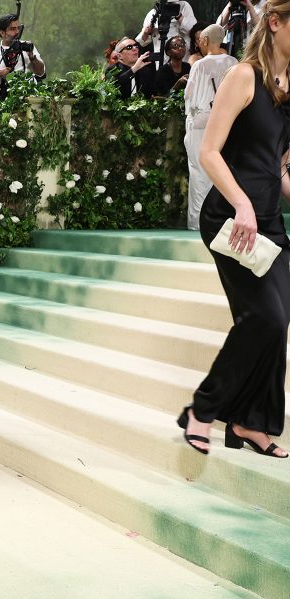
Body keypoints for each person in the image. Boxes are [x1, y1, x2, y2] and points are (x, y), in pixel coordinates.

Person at [178, 1, 290, 460]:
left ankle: (251, 423)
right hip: (229, 216)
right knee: (263, 317)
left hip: (269, 220)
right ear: (277, 22)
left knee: (279, 321)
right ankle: (201, 411)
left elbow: (277, 167)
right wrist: (243, 202)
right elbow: (210, 152)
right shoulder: (244, 76)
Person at [184, 24, 239, 229]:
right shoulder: (234, 63)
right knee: (224, 170)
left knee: (199, 171)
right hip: (227, 122)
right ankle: (224, 221)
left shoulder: (199, 65)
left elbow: (189, 95)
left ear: (205, 40)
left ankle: (198, 223)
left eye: (200, 40)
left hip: (201, 123)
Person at [0, 16, 46, 99]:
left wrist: (33, 58)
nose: (17, 32)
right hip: (5, 103)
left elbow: (41, 72)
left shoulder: (27, 47)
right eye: (12, 29)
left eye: (18, 28)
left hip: (29, 100)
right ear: (2, 33)